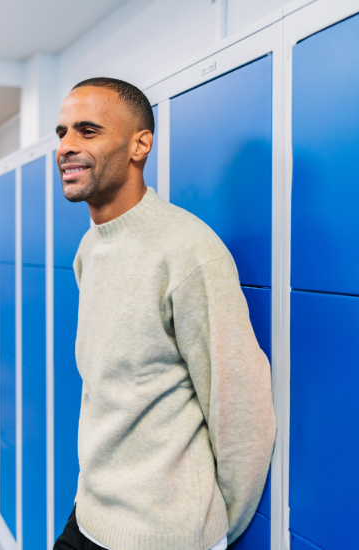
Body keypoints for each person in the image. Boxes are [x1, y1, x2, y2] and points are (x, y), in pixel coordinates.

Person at [52, 78, 275, 550]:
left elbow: (242, 412)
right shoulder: (89, 249)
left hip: (163, 535)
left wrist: (209, 533)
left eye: (87, 131)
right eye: (62, 132)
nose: (67, 146)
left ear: (140, 144)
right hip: (91, 513)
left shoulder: (189, 251)